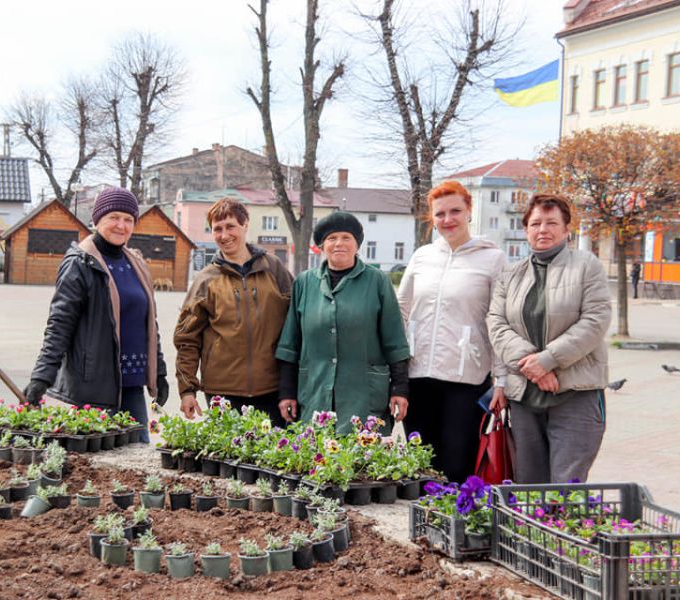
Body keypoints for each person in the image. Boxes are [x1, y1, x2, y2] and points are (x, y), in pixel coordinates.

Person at [24, 187, 169, 443]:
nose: (121, 225)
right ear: (97, 219)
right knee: (98, 461)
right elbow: (59, 325)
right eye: (114, 217)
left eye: (128, 219)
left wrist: (159, 373)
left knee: (138, 457)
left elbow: (148, 325)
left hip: (132, 383)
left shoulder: (136, 264)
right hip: (96, 385)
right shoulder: (80, 263)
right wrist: (42, 376)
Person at [487, 193, 611, 483]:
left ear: (567, 229)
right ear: (526, 230)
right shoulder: (510, 274)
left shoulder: (586, 266)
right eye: (535, 223)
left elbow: (596, 320)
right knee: (529, 484)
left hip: (575, 393)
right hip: (525, 397)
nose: (543, 229)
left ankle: (562, 529)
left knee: (567, 484)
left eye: (552, 222)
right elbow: (496, 322)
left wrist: (548, 360)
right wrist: (531, 366)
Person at [396, 181, 507, 483]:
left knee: (458, 463)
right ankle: (423, 525)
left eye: (455, 211)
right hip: (419, 375)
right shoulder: (422, 257)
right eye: (440, 213)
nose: (448, 219)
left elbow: (499, 321)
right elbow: (400, 312)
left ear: (470, 210)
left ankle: (456, 525)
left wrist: (502, 380)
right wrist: (395, 372)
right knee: (422, 464)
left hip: (466, 380)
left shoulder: (492, 259)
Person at [275, 212, 410, 436]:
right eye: (332, 238)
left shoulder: (377, 281)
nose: (339, 243)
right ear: (321, 246)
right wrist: (287, 392)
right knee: (315, 463)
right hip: (314, 393)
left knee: (361, 465)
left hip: (363, 396)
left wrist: (400, 388)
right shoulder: (304, 283)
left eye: (346, 237)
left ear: (357, 244)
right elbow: (291, 343)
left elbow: (395, 341)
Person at [174, 198, 293, 427]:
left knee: (274, 459)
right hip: (223, 392)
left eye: (230, 226)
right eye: (217, 229)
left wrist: (292, 384)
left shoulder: (274, 269)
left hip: (272, 389)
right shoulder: (206, 280)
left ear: (245, 225)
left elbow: (296, 324)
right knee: (229, 458)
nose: (224, 235)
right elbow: (187, 339)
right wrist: (187, 390)